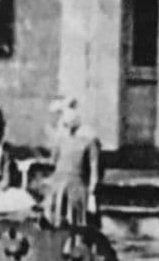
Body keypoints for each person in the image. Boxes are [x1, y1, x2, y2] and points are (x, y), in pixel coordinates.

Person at [41, 96, 101, 229]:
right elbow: (53, 161)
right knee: (56, 219)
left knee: (76, 221)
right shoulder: (60, 140)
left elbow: (94, 167)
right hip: (59, 185)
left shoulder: (89, 140)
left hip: (77, 187)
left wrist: (92, 193)